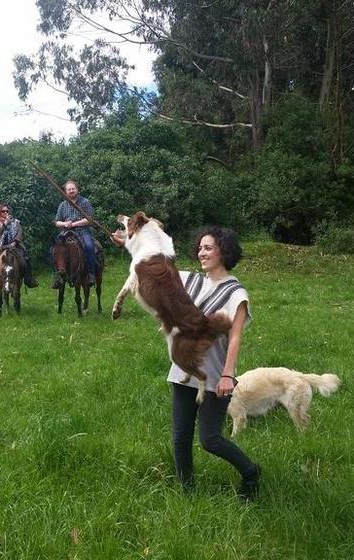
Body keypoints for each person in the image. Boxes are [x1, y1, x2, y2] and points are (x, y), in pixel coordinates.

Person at [111, 225, 261, 501]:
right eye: (200, 248)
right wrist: (131, 243)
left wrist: (227, 375)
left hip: (214, 376)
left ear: (224, 251)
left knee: (210, 440)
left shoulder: (236, 293)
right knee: (180, 438)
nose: (201, 253)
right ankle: (187, 492)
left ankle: (251, 472)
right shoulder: (189, 280)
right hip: (183, 371)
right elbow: (150, 268)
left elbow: (235, 337)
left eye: (208, 248)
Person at [0, 203, 38, 289]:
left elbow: (20, 232)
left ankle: (29, 278)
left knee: (26, 257)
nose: (5, 212)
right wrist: (5, 223)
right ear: (0, 212)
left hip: (14, 244)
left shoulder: (16, 222)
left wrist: (15, 242)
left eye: (7, 211)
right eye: (3, 211)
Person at [53, 179, 97, 288]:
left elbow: (89, 219)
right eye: (69, 189)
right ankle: (57, 276)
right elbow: (56, 222)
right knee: (53, 249)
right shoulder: (63, 205)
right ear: (65, 191)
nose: (71, 191)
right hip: (66, 233)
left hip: (83, 231)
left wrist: (73, 224)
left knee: (89, 246)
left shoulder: (85, 202)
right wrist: (64, 224)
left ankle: (91, 274)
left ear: (77, 189)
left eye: (73, 188)